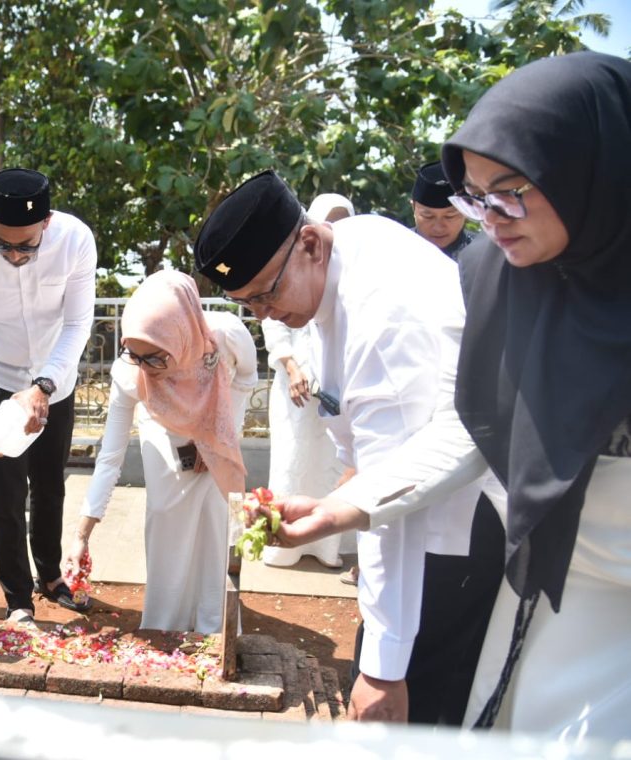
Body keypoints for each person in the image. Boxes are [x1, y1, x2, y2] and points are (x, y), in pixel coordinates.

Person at [267, 52, 631, 740]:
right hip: (558, 570)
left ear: (589, 169)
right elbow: (476, 428)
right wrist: (348, 507)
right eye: (475, 197)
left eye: (511, 191)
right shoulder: (501, 276)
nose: (490, 219)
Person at [194, 170, 503, 725]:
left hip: (455, 528)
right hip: (414, 510)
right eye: (249, 304)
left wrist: (385, 672)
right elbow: (373, 450)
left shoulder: (383, 314)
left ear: (308, 242)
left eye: (265, 294)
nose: (264, 314)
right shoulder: (342, 254)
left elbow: (399, 505)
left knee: (417, 707)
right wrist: (335, 502)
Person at [63, 270, 257, 633]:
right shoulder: (130, 373)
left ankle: (215, 625)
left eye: (156, 358)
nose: (146, 369)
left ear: (182, 335)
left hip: (218, 438)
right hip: (161, 430)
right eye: (135, 354)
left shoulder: (225, 335)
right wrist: (81, 536)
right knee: (167, 520)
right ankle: (164, 626)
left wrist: (222, 437)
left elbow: (247, 378)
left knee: (216, 528)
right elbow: (110, 456)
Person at [0, 168, 97, 625]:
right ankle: (17, 600)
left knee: (50, 485)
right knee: (5, 495)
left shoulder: (75, 240)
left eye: (26, 245)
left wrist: (45, 385)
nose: (14, 254)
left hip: (57, 381)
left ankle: (50, 576)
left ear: (46, 222)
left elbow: (76, 325)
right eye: (2, 243)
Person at [259, 193, 352, 570]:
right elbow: (272, 320)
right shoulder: (294, 266)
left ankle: (326, 546)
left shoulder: (350, 274)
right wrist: (294, 369)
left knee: (332, 463)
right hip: (292, 387)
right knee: (292, 460)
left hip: (334, 391)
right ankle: (283, 543)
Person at [411, 161, 473, 258]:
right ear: (413, 207)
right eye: (428, 216)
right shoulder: (395, 250)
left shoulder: (486, 255)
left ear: (466, 210)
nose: (438, 228)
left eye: (450, 216)